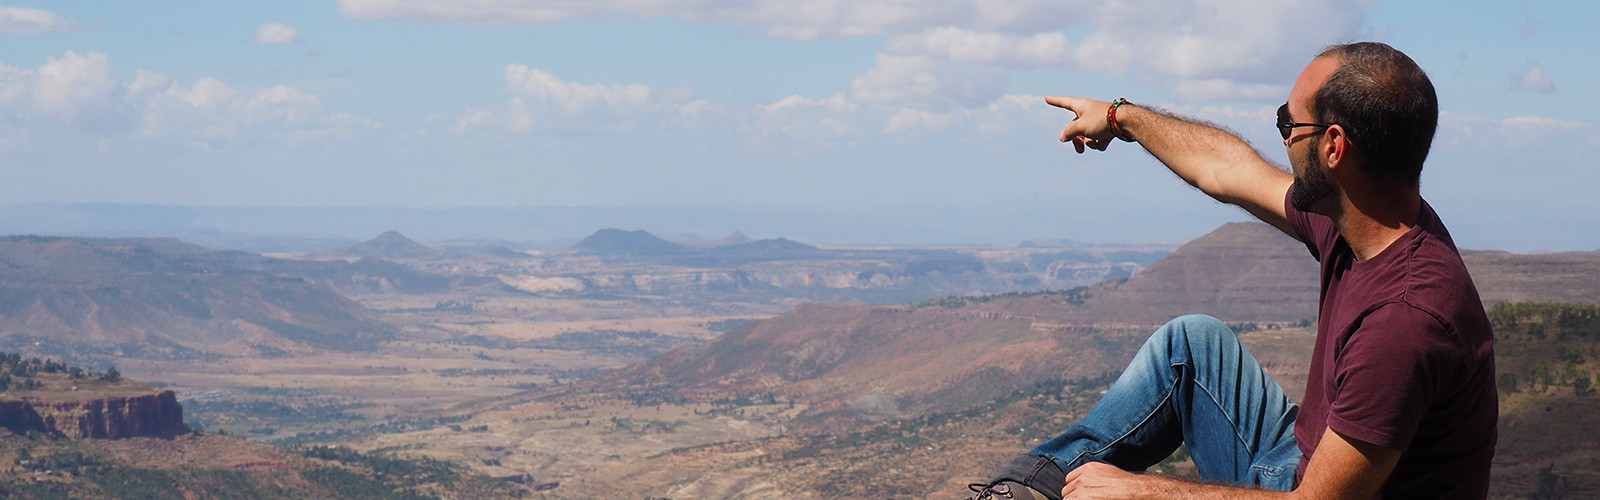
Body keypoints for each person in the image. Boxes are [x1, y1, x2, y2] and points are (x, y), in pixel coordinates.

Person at [967, 42, 1497, 499]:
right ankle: (1033, 484)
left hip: (1312, 490)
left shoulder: (1403, 323)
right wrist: (1118, 115)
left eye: (1289, 123)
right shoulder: (1369, 218)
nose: (1283, 139)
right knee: (1192, 343)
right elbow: (1228, 170)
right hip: (1309, 461)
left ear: (1334, 146)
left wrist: (1143, 491)